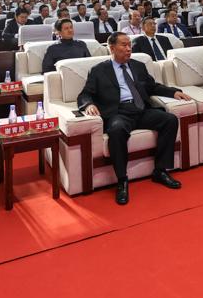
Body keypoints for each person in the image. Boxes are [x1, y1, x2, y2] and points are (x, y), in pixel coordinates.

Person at [77, 32, 190, 205]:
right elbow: (85, 94)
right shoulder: (99, 70)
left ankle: (160, 170)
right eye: (124, 45)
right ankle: (122, 180)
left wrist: (173, 92)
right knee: (116, 130)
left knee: (170, 120)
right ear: (112, 48)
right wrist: (88, 105)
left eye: (129, 44)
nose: (129, 48)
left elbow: (152, 87)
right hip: (118, 112)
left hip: (140, 109)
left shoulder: (138, 66)